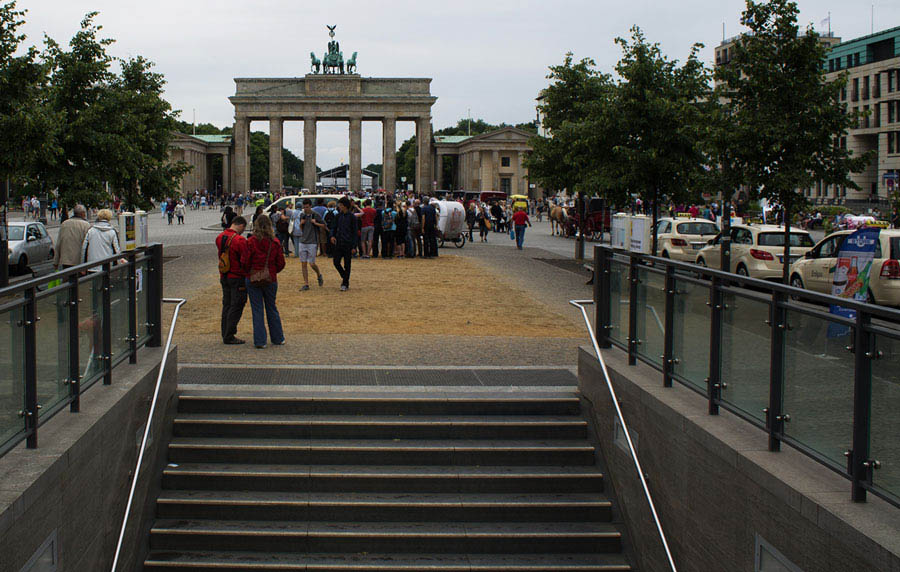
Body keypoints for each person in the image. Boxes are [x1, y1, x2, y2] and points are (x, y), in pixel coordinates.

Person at [243, 215, 285, 348]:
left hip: (253, 277)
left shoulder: (251, 241)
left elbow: (245, 261)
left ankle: (260, 341)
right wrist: (272, 271)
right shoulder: (275, 242)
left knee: (257, 310)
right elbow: (281, 263)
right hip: (270, 278)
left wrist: (249, 271)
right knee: (271, 307)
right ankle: (278, 338)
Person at [216, 215, 250, 345]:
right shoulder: (239, 240)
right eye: (243, 228)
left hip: (224, 275)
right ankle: (229, 334)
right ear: (240, 225)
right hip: (236, 276)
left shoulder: (220, 237)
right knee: (237, 305)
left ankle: (225, 331)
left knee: (227, 304)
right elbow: (245, 259)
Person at [292, 198, 325, 291]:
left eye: (307, 207)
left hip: (312, 242)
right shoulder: (302, 215)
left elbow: (324, 226)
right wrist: (301, 224)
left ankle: (319, 274)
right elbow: (302, 228)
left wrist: (316, 223)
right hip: (303, 241)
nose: (305, 209)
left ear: (310, 206)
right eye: (304, 207)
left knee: (312, 263)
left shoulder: (316, 215)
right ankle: (306, 283)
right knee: (303, 263)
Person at [329, 196, 359, 291]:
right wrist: (332, 236)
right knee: (336, 262)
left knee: (347, 264)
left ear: (345, 206)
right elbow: (333, 227)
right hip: (339, 242)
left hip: (348, 243)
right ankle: (345, 276)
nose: (339, 207)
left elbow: (355, 232)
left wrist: (354, 246)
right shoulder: (338, 216)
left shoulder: (352, 217)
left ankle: (345, 282)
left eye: (341, 205)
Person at [54, 204, 92, 269]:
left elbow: (58, 244)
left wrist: (56, 262)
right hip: (80, 261)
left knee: (67, 277)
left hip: (66, 261)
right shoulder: (86, 225)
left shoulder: (64, 224)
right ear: (82, 213)